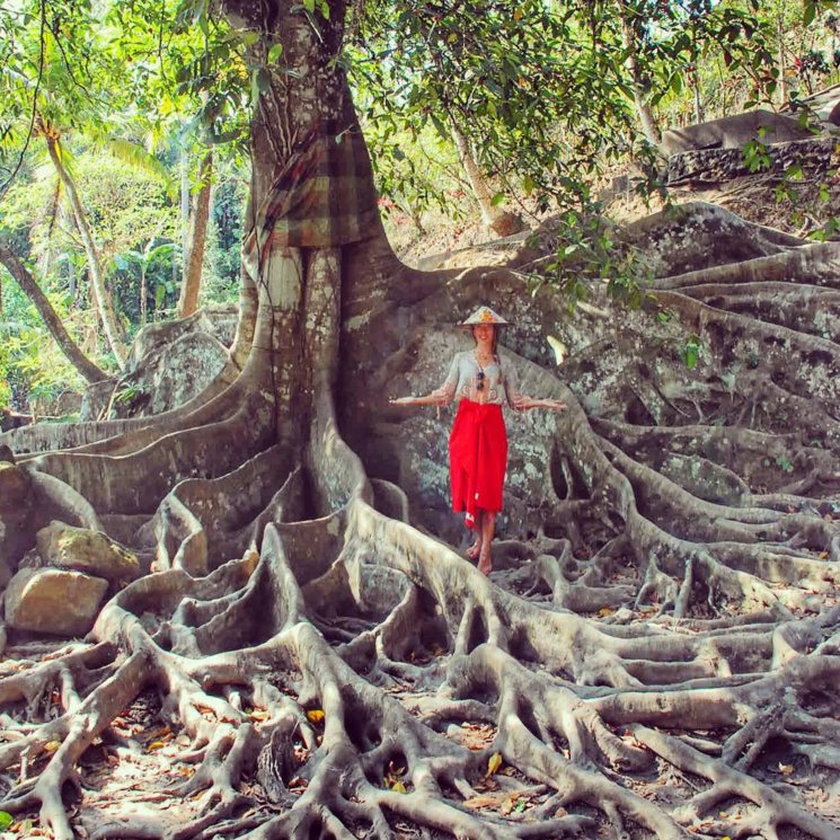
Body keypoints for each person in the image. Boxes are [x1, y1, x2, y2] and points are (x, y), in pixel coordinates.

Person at [389, 305, 566, 575]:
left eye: (489, 327)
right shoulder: (461, 359)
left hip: (492, 427)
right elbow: (445, 393)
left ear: (495, 331)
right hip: (466, 426)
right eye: (479, 327)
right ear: (472, 330)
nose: (484, 331)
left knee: (489, 491)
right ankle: (479, 540)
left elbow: (515, 400)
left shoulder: (504, 364)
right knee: (472, 485)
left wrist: (542, 402)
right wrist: (415, 400)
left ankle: (485, 555)